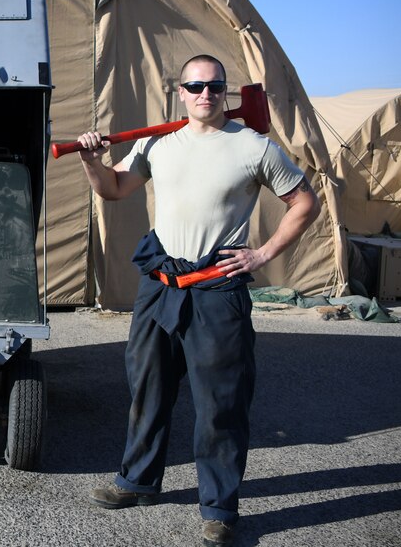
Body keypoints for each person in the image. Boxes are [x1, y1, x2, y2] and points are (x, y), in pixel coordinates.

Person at [78, 54, 320, 547]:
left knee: (220, 404)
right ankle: (137, 482)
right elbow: (115, 189)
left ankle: (219, 508)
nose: (205, 94)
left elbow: (305, 202)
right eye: (195, 86)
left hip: (217, 287)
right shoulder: (156, 142)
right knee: (147, 387)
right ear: (180, 91)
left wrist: (262, 254)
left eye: (214, 87)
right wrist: (90, 159)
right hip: (161, 284)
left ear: (226, 92)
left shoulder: (254, 147)